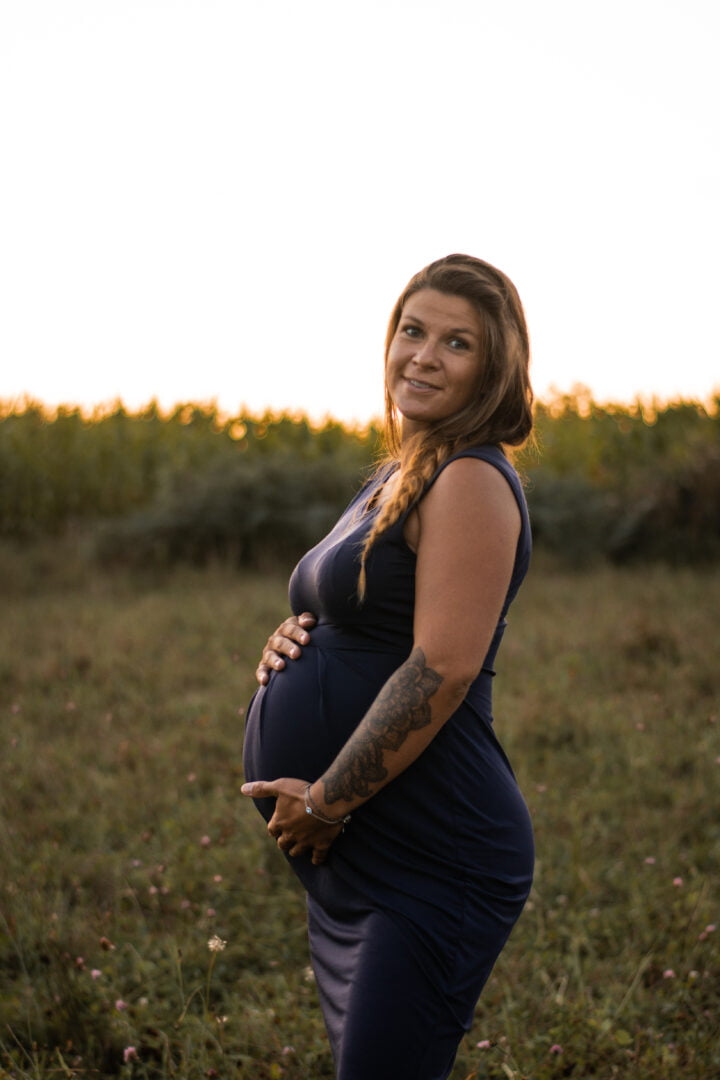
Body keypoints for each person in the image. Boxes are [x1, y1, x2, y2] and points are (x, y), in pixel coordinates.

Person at [241, 253, 535, 1080]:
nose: (423, 356)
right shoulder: (404, 472)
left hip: (438, 847)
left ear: (494, 368)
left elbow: (441, 667)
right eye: (412, 331)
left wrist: (327, 803)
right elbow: (361, 618)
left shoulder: (472, 476)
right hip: (378, 839)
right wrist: (291, 641)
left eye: (456, 343)